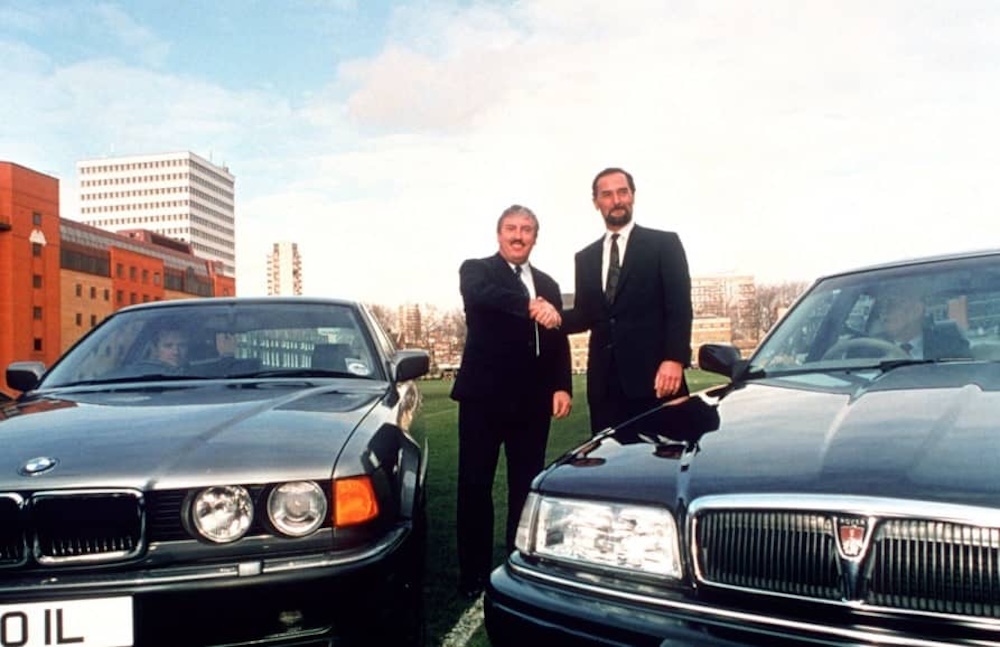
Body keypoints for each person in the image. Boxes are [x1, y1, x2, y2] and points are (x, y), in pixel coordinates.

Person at [450, 204, 573, 599]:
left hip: (532, 403)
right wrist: (530, 305)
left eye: (527, 229)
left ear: (536, 236)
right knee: (474, 487)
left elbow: (556, 339)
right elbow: (484, 296)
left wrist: (562, 385)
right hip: (483, 399)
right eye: (511, 228)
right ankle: (473, 575)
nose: (518, 236)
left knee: (525, 486)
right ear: (499, 233)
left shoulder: (548, 283)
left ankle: (519, 565)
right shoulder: (476, 270)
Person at [560, 167, 693, 434]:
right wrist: (549, 315)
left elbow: (679, 307)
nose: (616, 200)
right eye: (607, 194)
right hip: (605, 389)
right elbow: (586, 314)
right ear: (596, 202)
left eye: (622, 192)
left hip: (658, 381)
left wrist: (674, 359)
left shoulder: (663, 244)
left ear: (633, 195)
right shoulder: (585, 258)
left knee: (667, 457)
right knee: (609, 461)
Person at [876, 289, 970, 359]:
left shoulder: (951, 346)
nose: (884, 311)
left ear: (917, 310)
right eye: (881, 306)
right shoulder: (872, 348)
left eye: (892, 304)